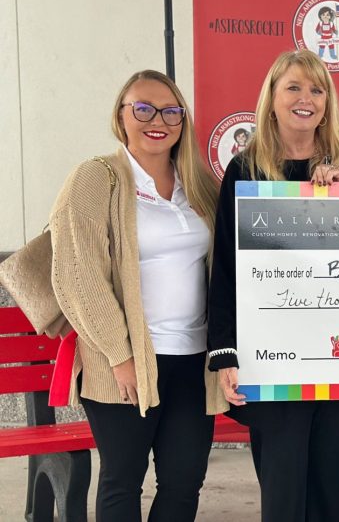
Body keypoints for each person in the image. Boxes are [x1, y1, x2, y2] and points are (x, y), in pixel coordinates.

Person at [49, 70, 224, 521]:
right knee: (122, 480)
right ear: (121, 117)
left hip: (192, 357)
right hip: (125, 362)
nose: (157, 120)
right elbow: (78, 275)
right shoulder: (96, 179)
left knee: (184, 483)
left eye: (170, 110)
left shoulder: (198, 185)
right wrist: (120, 355)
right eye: (143, 109)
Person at [206, 49, 339, 521]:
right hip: (272, 358)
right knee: (283, 494)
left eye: (317, 89)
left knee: (337, 493)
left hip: (338, 356)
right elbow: (227, 268)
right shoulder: (245, 172)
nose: (306, 98)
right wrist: (224, 351)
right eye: (294, 87)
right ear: (272, 97)